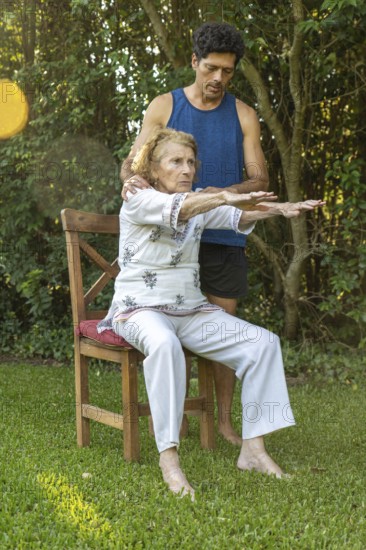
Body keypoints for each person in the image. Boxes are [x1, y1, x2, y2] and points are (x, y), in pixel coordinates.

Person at [100, 128, 325, 499]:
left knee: (262, 344)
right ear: (154, 169)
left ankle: (253, 448)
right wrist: (220, 195)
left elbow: (235, 215)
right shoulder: (139, 198)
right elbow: (188, 208)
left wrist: (281, 210)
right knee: (165, 345)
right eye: (176, 161)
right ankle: (169, 459)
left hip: (190, 310)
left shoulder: (197, 201)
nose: (186, 169)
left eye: (190, 162)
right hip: (138, 310)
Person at [121, 22, 269, 445]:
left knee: (223, 329)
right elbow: (134, 165)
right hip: (167, 240)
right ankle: (176, 421)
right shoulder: (164, 106)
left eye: (227, 71)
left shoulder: (243, 114)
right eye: (211, 68)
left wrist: (215, 197)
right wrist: (132, 182)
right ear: (194, 63)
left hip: (223, 238)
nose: (218, 78)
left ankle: (223, 421)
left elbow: (259, 179)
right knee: (166, 326)